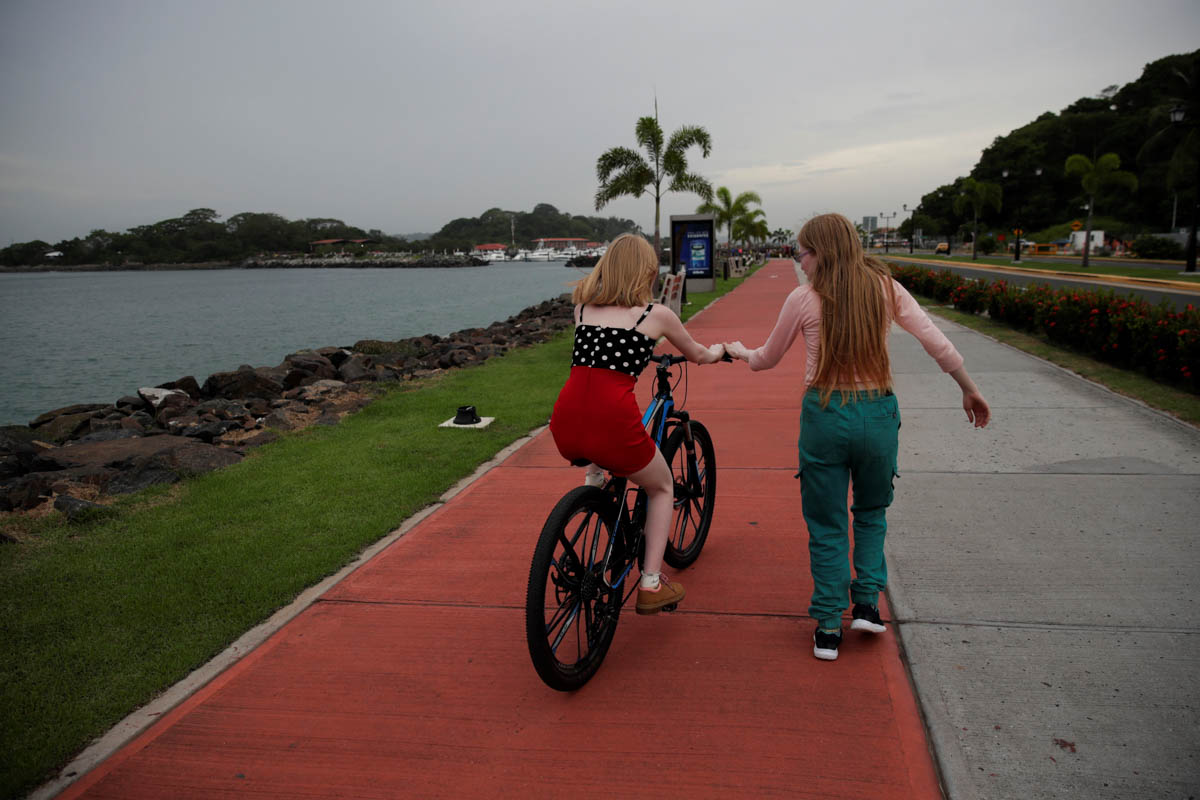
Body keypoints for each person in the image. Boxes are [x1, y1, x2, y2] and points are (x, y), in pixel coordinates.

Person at [724, 213, 990, 661]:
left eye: (802, 253)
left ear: (822, 252)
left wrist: (738, 352)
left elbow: (767, 358)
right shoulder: (884, 289)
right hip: (878, 413)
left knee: (827, 525)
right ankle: (867, 604)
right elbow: (934, 340)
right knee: (870, 512)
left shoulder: (804, 299)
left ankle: (829, 626)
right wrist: (968, 387)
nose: (799, 261)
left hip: (826, 416)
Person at [549, 233, 726, 614]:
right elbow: (696, 354)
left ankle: (595, 487)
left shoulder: (581, 307)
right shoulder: (655, 315)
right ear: (645, 271)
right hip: (611, 423)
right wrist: (720, 352)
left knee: (597, 439)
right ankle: (650, 583)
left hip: (565, 420)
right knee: (662, 487)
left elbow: (601, 361)